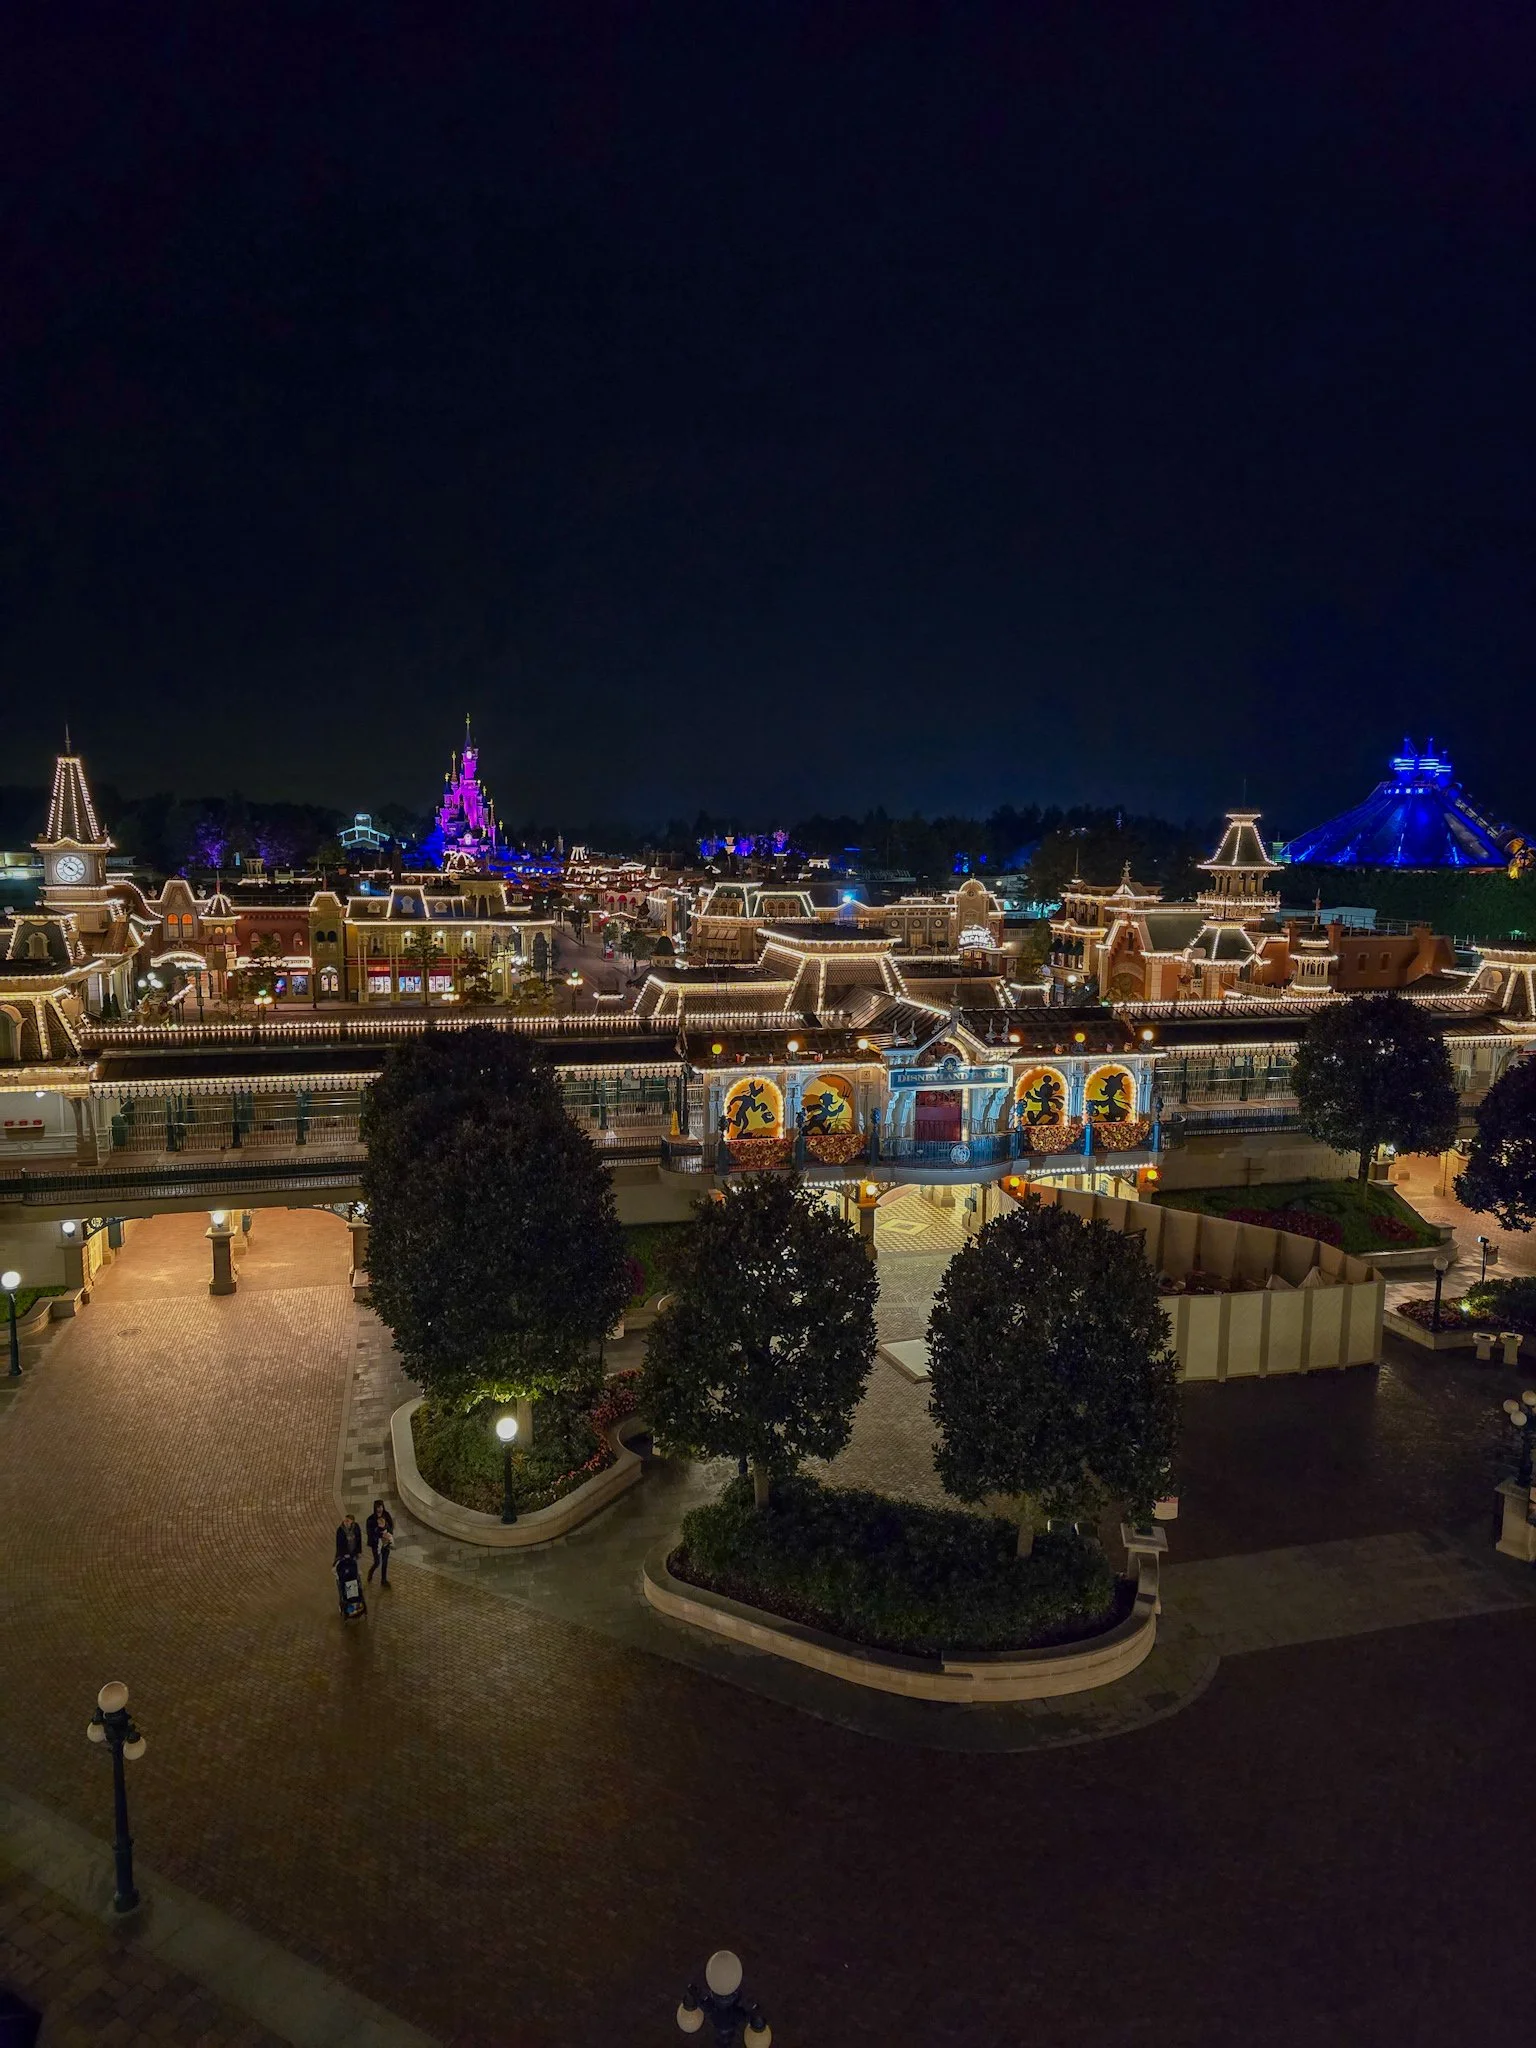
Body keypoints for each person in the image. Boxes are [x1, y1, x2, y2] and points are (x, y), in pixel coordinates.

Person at [366, 1499, 395, 1584]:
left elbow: (391, 1527)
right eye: (378, 1507)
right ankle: (371, 1572)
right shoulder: (371, 1519)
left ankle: (383, 1580)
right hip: (376, 1544)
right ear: (375, 1508)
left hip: (386, 1543)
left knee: (385, 1562)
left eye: (381, 1507)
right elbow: (370, 1533)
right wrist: (381, 1535)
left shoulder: (386, 1515)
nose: (380, 1509)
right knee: (377, 1562)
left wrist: (387, 1530)